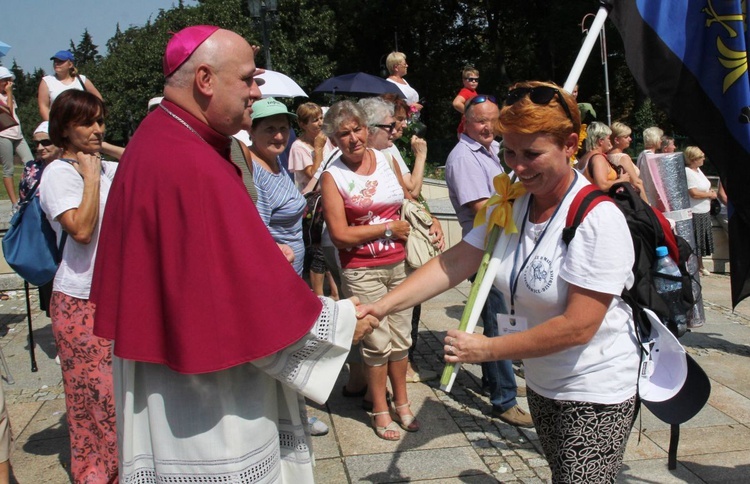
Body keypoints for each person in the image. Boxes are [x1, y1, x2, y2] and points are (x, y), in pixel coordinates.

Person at [89, 25, 377, 482]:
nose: (255, 91)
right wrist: (338, 322)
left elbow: (216, 267)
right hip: (205, 395)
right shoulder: (191, 163)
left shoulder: (165, 138)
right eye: (247, 79)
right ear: (205, 79)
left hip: (176, 371)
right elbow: (237, 297)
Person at [359, 81, 639, 483]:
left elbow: (580, 325)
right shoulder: (512, 200)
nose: (518, 167)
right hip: (545, 381)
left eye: (532, 154)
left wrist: (490, 349)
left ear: (570, 145)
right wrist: (382, 306)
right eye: (509, 152)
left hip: (594, 386)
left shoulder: (598, 218)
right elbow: (455, 261)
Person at [321, 99, 421, 441]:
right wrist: (386, 229)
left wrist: (428, 219)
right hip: (362, 269)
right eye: (343, 134)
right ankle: (380, 408)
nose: (353, 139)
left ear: (367, 129)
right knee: (376, 342)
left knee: (401, 338)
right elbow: (340, 235)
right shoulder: (333, 176)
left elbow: (405, 198)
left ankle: (403, 403)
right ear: (333, 140)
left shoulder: (384, 159)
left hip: (398, 263)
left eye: (357, 129)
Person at [39, 89, 118, 483]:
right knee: (95, 397)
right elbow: (82, 230)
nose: (97, 129)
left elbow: (141, 161)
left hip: (114, 293)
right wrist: (88, 176)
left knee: (120, 395)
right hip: (79, 299)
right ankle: (96, 474)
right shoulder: (57, 174)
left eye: (100, 120)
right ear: (64, 128)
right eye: (87, 122)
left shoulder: (104, 167)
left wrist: (104, 153)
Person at [444, 94, 532, 427]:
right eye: (481, 120)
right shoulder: (464, 157)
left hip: (500, 246)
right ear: (465, 121)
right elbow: (482, 208)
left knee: (497, 320)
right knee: (498, 325)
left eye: (493, 120)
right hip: (484, 252)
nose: (488, 126)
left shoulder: (493, 151)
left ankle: (494, 378)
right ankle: (503, 400)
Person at [247, 97, 307, 276]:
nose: (279, 136)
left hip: (291, 270)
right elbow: (257, 234)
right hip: (275, 273)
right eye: (270, 129)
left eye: (283, 128)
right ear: (251, 131)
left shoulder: (275, 160)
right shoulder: (254, 172)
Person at [19, 122, 63, 316]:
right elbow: (24, 196)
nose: (40, 148)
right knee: (49, 284)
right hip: (43, 235)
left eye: (46, 142)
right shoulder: (32, 168)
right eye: (36, 143)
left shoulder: (69, 165)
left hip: (65, 232)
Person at [0, 67, 33, 209]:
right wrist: (8, 93)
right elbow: (9, 114)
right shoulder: (5, 95)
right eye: (5, 80)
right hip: (3, 134)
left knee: (31, 164)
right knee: (9, 169)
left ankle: (30, 195)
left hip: (17, 133)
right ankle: (15, 203)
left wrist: (9, 94)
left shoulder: (9, 95)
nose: (8, 83)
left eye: (10, 80)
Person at [38, 50, 102, 121]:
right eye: (55, 61)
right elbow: (43, 106)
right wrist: (51, 125)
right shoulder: (47, 81)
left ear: (70, 64)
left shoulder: (82, 80)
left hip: (82, 123)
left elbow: (98, 99)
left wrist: (94, 118)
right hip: (58, 125)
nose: (56, 63)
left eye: (60, 61)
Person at [684, 146, 717, 276]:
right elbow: (694, 193)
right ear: (694, 159)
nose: (703, 159)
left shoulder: (698, 170)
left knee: (701, 240)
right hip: (696, 211)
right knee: (696, 240)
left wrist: (710, 193)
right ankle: (696, 266)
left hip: (704, 210)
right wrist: (709, 195)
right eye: (700, 157)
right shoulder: (688, 172)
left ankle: (700, 265)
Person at [580, 122, 631, 192]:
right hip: (598, 200)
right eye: (609, 138)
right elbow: (602, 186)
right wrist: (622, 180)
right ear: (600, 141)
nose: (610, 142)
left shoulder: (583, 158)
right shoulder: (598, 158)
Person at [637, 126, 665, 207]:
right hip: (651, 198)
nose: (661, 141)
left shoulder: (642, 154)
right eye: (659, 138)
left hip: (645, 194)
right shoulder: (651, 157)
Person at [453, 66, 480, 136]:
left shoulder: (473, 92)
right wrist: (471, 113)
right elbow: (456, 103)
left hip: (470, 129)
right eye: (471, 79)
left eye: (476, 80)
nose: (474, 81)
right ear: (464, 80)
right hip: (465, 131)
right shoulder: (466, 91)